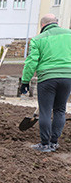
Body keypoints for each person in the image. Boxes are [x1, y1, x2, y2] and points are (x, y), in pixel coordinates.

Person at [20, 14, 71, 152]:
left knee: (45, 111)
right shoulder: (69, 34)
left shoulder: (38, 39)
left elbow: (31, 62)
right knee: (60, 110)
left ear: (42, 25)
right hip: (68, 77)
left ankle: (44, 144)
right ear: (56, 22)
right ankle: (54, 142)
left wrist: (25, 81)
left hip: (47, 78)